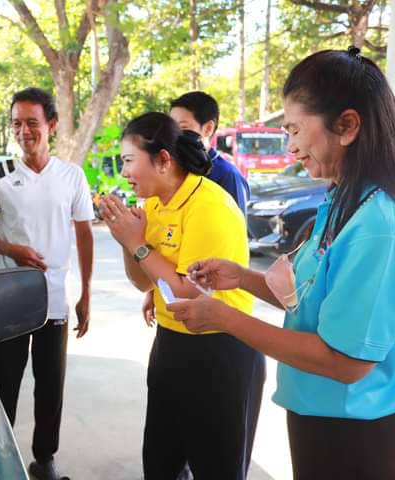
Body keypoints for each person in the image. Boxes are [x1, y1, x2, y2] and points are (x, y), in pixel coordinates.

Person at [169, 47, 395, 480]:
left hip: (360, 438)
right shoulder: (344, 200)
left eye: (295, 129)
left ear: (347, 126)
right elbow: (311, 299)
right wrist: (241, 278)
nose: (291, 146)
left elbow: (346, 361)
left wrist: (225, 318)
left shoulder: (379, 227)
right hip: (322, 420)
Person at [98, 112, 261, 480]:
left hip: (218, 350)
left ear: (163, 160)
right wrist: (128, 241)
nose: (124, 172)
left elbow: (189, 292)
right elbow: (144, 283)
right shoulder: (155, 204)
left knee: (216, 466)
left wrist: (137, 244)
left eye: (129, 161)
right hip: (171, 345)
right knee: (161, 462)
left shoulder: (209, 206)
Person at [0, 87, 94, 480]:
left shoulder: (72, 176)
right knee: (3, 385)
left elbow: (84, 234)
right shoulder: (0, 175)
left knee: (50, 386)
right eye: (17, 123)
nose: (24, 131)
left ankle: (44, 460)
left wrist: (86, 294)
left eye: (32, 122)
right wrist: (12, 249)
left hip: (54, 300)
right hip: (10, 301)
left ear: (51, 125)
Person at [163, 90, 263, 480]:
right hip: (185, 319)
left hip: (220, 324)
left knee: (217, 447)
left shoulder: (224, 180)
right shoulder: (173, 178)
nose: (175, 137)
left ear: (209, 129)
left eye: (184, 128)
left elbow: (228, 250)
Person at [170, 91, 250, 213]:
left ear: (208, 128)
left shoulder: (227, 175)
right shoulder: (173, 168)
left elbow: (237, 222)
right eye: (171, 128)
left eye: (183, 127)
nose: (174, 134)